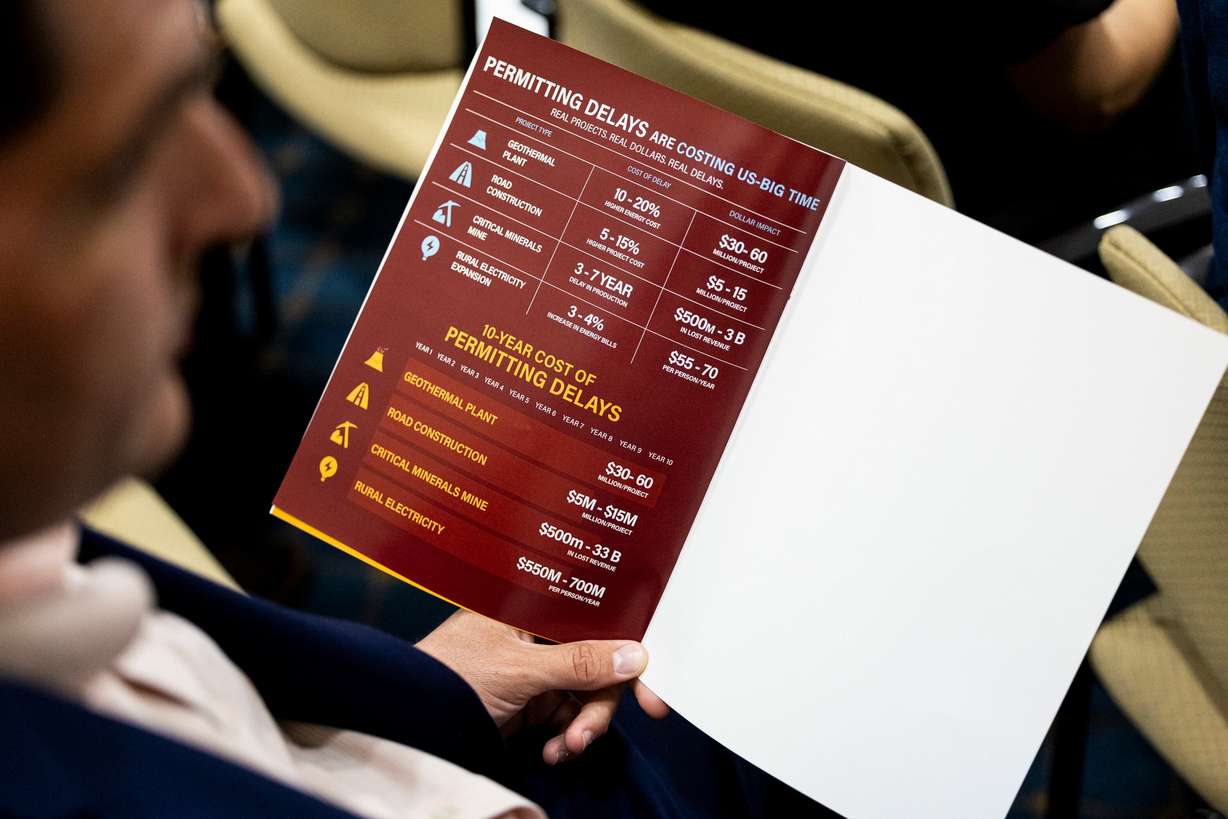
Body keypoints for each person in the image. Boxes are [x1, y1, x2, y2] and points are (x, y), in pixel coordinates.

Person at [0, 1, 726, 816]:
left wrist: (438, 690)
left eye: (203, 83)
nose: (246, 199)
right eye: (131, 153)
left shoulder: (32, 546)